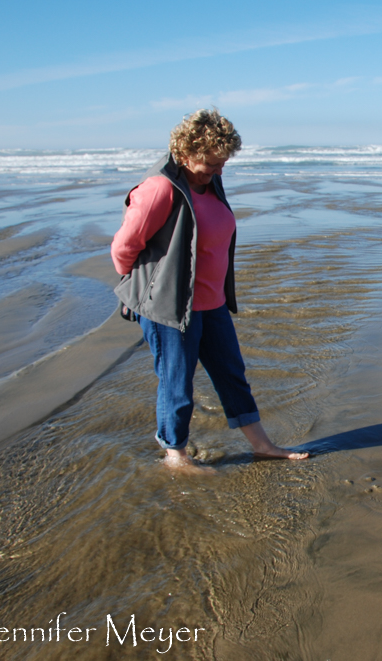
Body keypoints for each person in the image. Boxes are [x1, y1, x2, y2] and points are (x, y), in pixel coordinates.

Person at [111, 108, 308, 472]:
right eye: (211, 164)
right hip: (169, 306)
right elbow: (123, 249)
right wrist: (138, 295)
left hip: (210, 303)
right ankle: (175, 454)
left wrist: (211, 174)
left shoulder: (208, 181)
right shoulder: (158, 190)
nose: (219, 171)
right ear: (185, 154)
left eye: (223, 164)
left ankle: (262, 444)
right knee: (177, 383)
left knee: (232, 374)